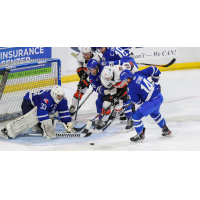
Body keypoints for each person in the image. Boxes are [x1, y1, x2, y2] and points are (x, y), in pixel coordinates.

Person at [0, 85, 74, 139]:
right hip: (28, 103)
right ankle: (7, 130)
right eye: (58, 96)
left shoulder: (63, 101)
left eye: (61, 96)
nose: (60, 98)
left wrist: (68, 124)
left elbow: (64, 113)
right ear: (54, 94)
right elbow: (41, 114)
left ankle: (38, 127)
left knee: (45, 121)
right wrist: (47, 127)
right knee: (30, 119)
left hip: (38, 106)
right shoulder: (46, 99)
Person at [120, 67, 172, 142]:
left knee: (136, 116)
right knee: (155, 114)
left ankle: (140, 134)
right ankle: (166, 129)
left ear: (128, 79)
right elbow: (154, 69)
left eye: (124, 80)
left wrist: (142, 100)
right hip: (159, 96)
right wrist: (155, 82)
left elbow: (138, 102)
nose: (124, 82)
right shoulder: (138, 74)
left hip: (152, 101)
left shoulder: (131, 88)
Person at [99, 65, 134, 130]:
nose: (108, 79)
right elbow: (111, 88)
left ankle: (129, 119)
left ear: (112, 73)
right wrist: (113, 96)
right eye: (106, 78)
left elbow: (130, 72)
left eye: (109, 77)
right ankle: (104, 120)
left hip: (124, 86)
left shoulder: (119, 70)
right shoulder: (104, 80)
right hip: (115, 88)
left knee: (121, 104)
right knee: (106, 104)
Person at [69, 47, 101, 115]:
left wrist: (86, 81)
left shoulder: (96, 58)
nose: (86, 56)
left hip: (97, 76)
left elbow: (95, 72)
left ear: (91, 53)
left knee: (102, 92)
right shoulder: (80, 56)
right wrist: (81, 73)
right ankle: (73, 106)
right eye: (85, 54)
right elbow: (80, 65)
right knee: (80, 90)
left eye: (88, 54)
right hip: (87, 74)